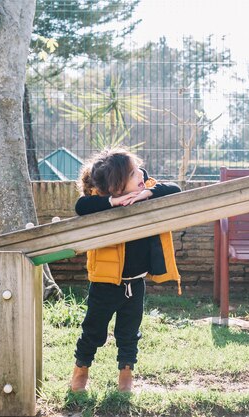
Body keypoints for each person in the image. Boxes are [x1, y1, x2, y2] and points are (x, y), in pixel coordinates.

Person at [70, 148, 181, 393]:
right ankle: (81, 370)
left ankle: (126, 376)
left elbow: (175, 190)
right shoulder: (100, 203)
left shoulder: (148, 191)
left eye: (137, 168)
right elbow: (81, 206)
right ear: (116, 187)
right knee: (93, 331)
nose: (140, 173)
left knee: (129, 333)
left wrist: (147, 193)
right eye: (132, 173)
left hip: (135, 283)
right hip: (104, 284)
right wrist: (113, 202)